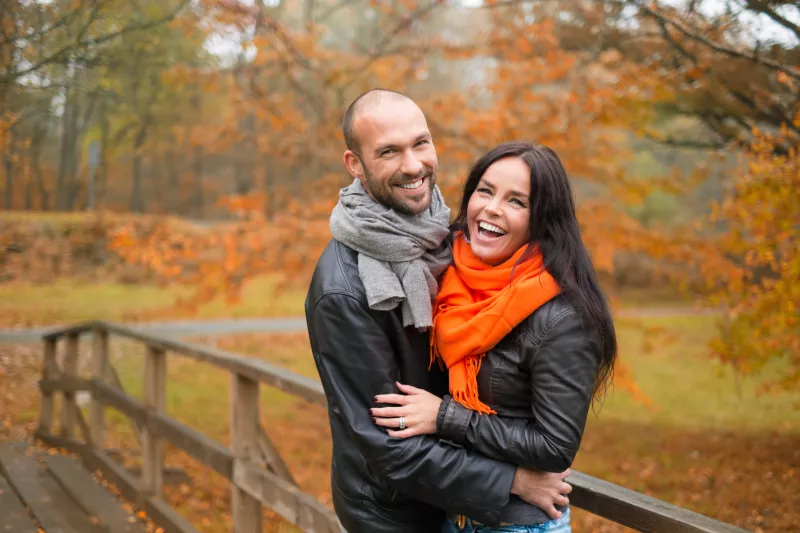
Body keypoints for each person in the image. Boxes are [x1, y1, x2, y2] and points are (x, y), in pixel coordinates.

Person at [305, 91, 572, 533]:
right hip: (399, 516)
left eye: (421, 143)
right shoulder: (344, 292)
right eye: (389, 151)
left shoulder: (450, 238)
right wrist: (513, 480)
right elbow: (386, 444)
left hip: (460, 502)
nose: (413, 165)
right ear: (355, 164)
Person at [372, 141, 618, 533]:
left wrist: (443, 416)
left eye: (517, 202)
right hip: (455, 515)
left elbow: (554, 446)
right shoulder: (451, 277)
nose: (491, 208)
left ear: (542, 220)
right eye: (485, 191)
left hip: (517, 525)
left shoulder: (562, 315)